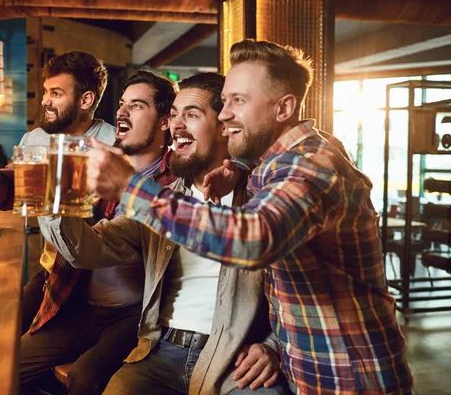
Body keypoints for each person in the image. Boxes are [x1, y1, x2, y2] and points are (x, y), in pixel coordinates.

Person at [82, 40, 414, 395]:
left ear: (284, 107)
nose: (225, 115)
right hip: (313, 371)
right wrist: (239, 169)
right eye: (224, 102)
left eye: (238, 101)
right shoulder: (277, 163)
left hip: (350, 376)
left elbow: (252, 239)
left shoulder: (312, 165)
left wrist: (130, 188)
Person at [47, 72, 289, 395]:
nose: (176, 125)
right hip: (162, 352)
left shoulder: (261, 198)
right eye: (174, 114)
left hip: (237, 360)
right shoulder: (159, 201)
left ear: (223, 126)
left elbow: (302, 292)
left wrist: (273, 346)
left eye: (191, 114)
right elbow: (85, 250)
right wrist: (58, 198)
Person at [22, 69, 177, 395]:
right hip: (80, 301)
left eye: (136, 106)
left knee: (85, 377)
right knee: (9, 362)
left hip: (132, 317)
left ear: (165, 121)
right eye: (122, 104)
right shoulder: (102, 163)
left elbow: (98, 245)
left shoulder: (173, 181)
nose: (121, 112)